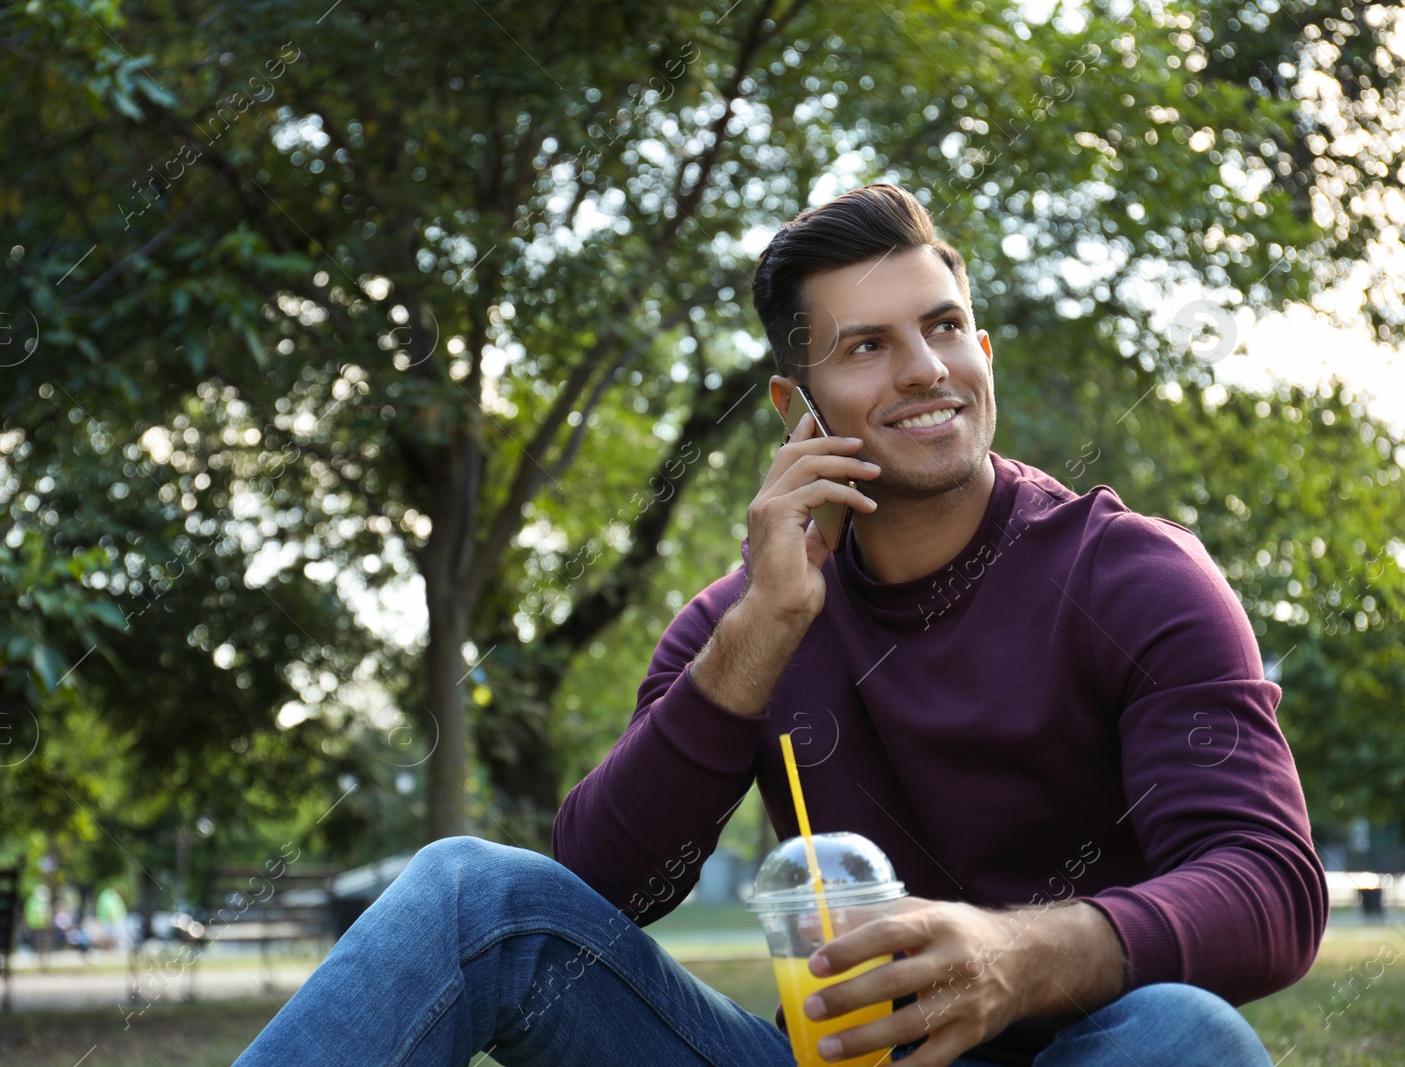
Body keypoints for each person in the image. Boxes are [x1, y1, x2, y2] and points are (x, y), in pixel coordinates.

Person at [234, 184, 1325, 1067]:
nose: (924, 370)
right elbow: (602, 889)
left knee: (1188, 1034)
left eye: (944, 328)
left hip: (1087, 1050)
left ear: (983, 350)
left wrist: (1014, 953)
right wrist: (761, 630)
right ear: (791, 407)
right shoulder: (740, 620)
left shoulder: (1137, 576)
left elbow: (1269, 884)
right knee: (470, 891)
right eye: (864, 347)